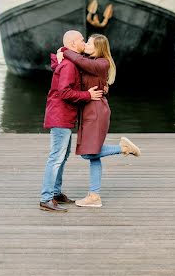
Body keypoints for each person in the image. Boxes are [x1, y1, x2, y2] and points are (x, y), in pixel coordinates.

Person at [58, 34, 140, 208]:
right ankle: (94, 196)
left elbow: (82, 63)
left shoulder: (102, 63)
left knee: (89, 152)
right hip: (89, 110)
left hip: (96, 112)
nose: (86, 44)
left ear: (98, 48)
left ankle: (123, 148)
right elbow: (72, 68)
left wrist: (65, 50)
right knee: (94, 156)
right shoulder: (88, 60)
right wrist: (58, 56)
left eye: (89, 43)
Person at [40, 30, 103, 212]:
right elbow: (64, 92)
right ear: (74, 43)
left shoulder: (69, 61)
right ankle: (46, 198)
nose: (84, 42)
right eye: (83, 40)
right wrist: (88, 95)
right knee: (56, 158)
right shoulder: (68, 65)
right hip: (60, 116)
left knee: (62, 156)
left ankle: (56, 193)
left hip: (64, 116)